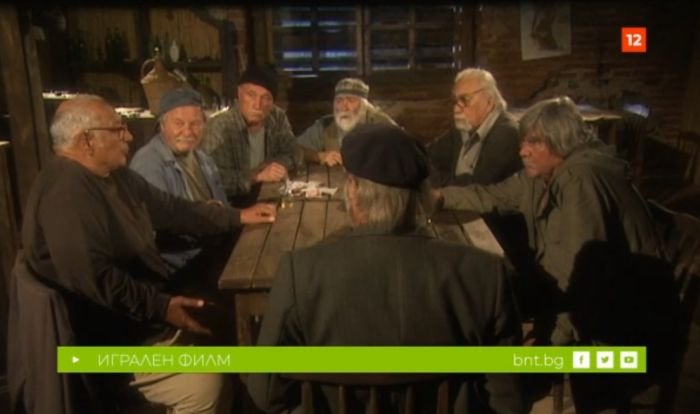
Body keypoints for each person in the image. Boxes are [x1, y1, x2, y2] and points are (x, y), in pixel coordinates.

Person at [9, 95, 276, 414]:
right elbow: (95, 278)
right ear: (87, 141)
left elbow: (173, 209)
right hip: (108, 345)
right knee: (208, 379)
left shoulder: (114, 175)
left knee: (231, 323)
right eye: (117, 129)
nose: (129, 136)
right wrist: (162, 307)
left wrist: (238, 216)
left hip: (142, 317)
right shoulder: (66, 190)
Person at [247, 124, 525, 414]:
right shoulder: (485, 273)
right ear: (423, 197)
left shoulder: (300, 273)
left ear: (353, 191)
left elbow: (264, 390)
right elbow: (510, 399)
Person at [433, 96, 676, 412]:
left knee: (498, 375)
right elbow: (493, 195)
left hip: (621, 334)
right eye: (523, 141)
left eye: (534, 142)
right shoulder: (545, 173)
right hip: (583, 306)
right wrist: (439, 197)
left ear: (561, 142)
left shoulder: (581, 182)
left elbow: (580, 283)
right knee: (491, 301)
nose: (523, 151)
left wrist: (547, 346)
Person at [200, 65, 297, 207]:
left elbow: (294, 153)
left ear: (272, 102)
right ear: (239, 94)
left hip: (268, 196)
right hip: (232, 207)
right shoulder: (219, 127)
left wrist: (271, 165)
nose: (257, 104)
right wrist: (256, 176)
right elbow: (215, 182)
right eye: (251, 95)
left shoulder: (277, 117)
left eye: (266, 98)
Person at [428, 68, 522, 187]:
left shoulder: (507, 134)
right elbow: (424, 158)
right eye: (455, 101)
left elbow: (479, 187)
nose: (456, 109)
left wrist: (434, 183)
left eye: (465, 99)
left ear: (489, 101)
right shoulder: (465, 127)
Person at [296, 77, 397, 167]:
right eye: (339, 100)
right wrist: (319, 156)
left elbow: (402, 153)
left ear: (364, 105)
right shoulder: (326, 125)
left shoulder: (381, 124)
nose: (343, 107)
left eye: (351, 100)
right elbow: (295, 149)